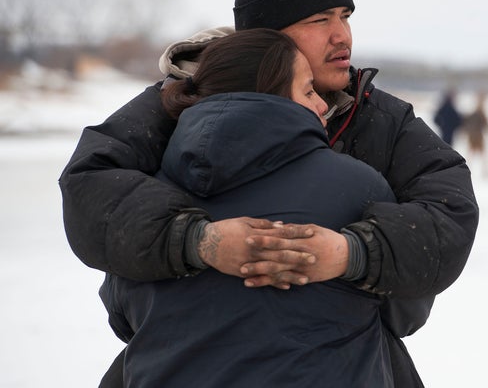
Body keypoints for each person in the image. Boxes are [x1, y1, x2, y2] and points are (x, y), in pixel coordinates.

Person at [60, 0, 478, 386]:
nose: (343, 36)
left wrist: (352, 253)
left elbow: (449, 214)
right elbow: (89, 187)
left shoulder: (378, 117)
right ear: (267, 37)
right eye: (321, 19)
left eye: (345, 16)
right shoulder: (183, 100)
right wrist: (198, 241)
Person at [101, 28, 399, 386]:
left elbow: (121, 314)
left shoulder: (148, 198)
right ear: (269, 95)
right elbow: (404, 310)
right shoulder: (360, 188)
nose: (323, 105)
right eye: (308, 91)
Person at [463, 91, 488, 179]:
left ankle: (484, 172)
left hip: (474, 137)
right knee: (476, 155)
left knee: (476, 155)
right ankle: (484, 172)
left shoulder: (476, 113)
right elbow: (486, 125)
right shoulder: (479, 113)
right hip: (476, 137)